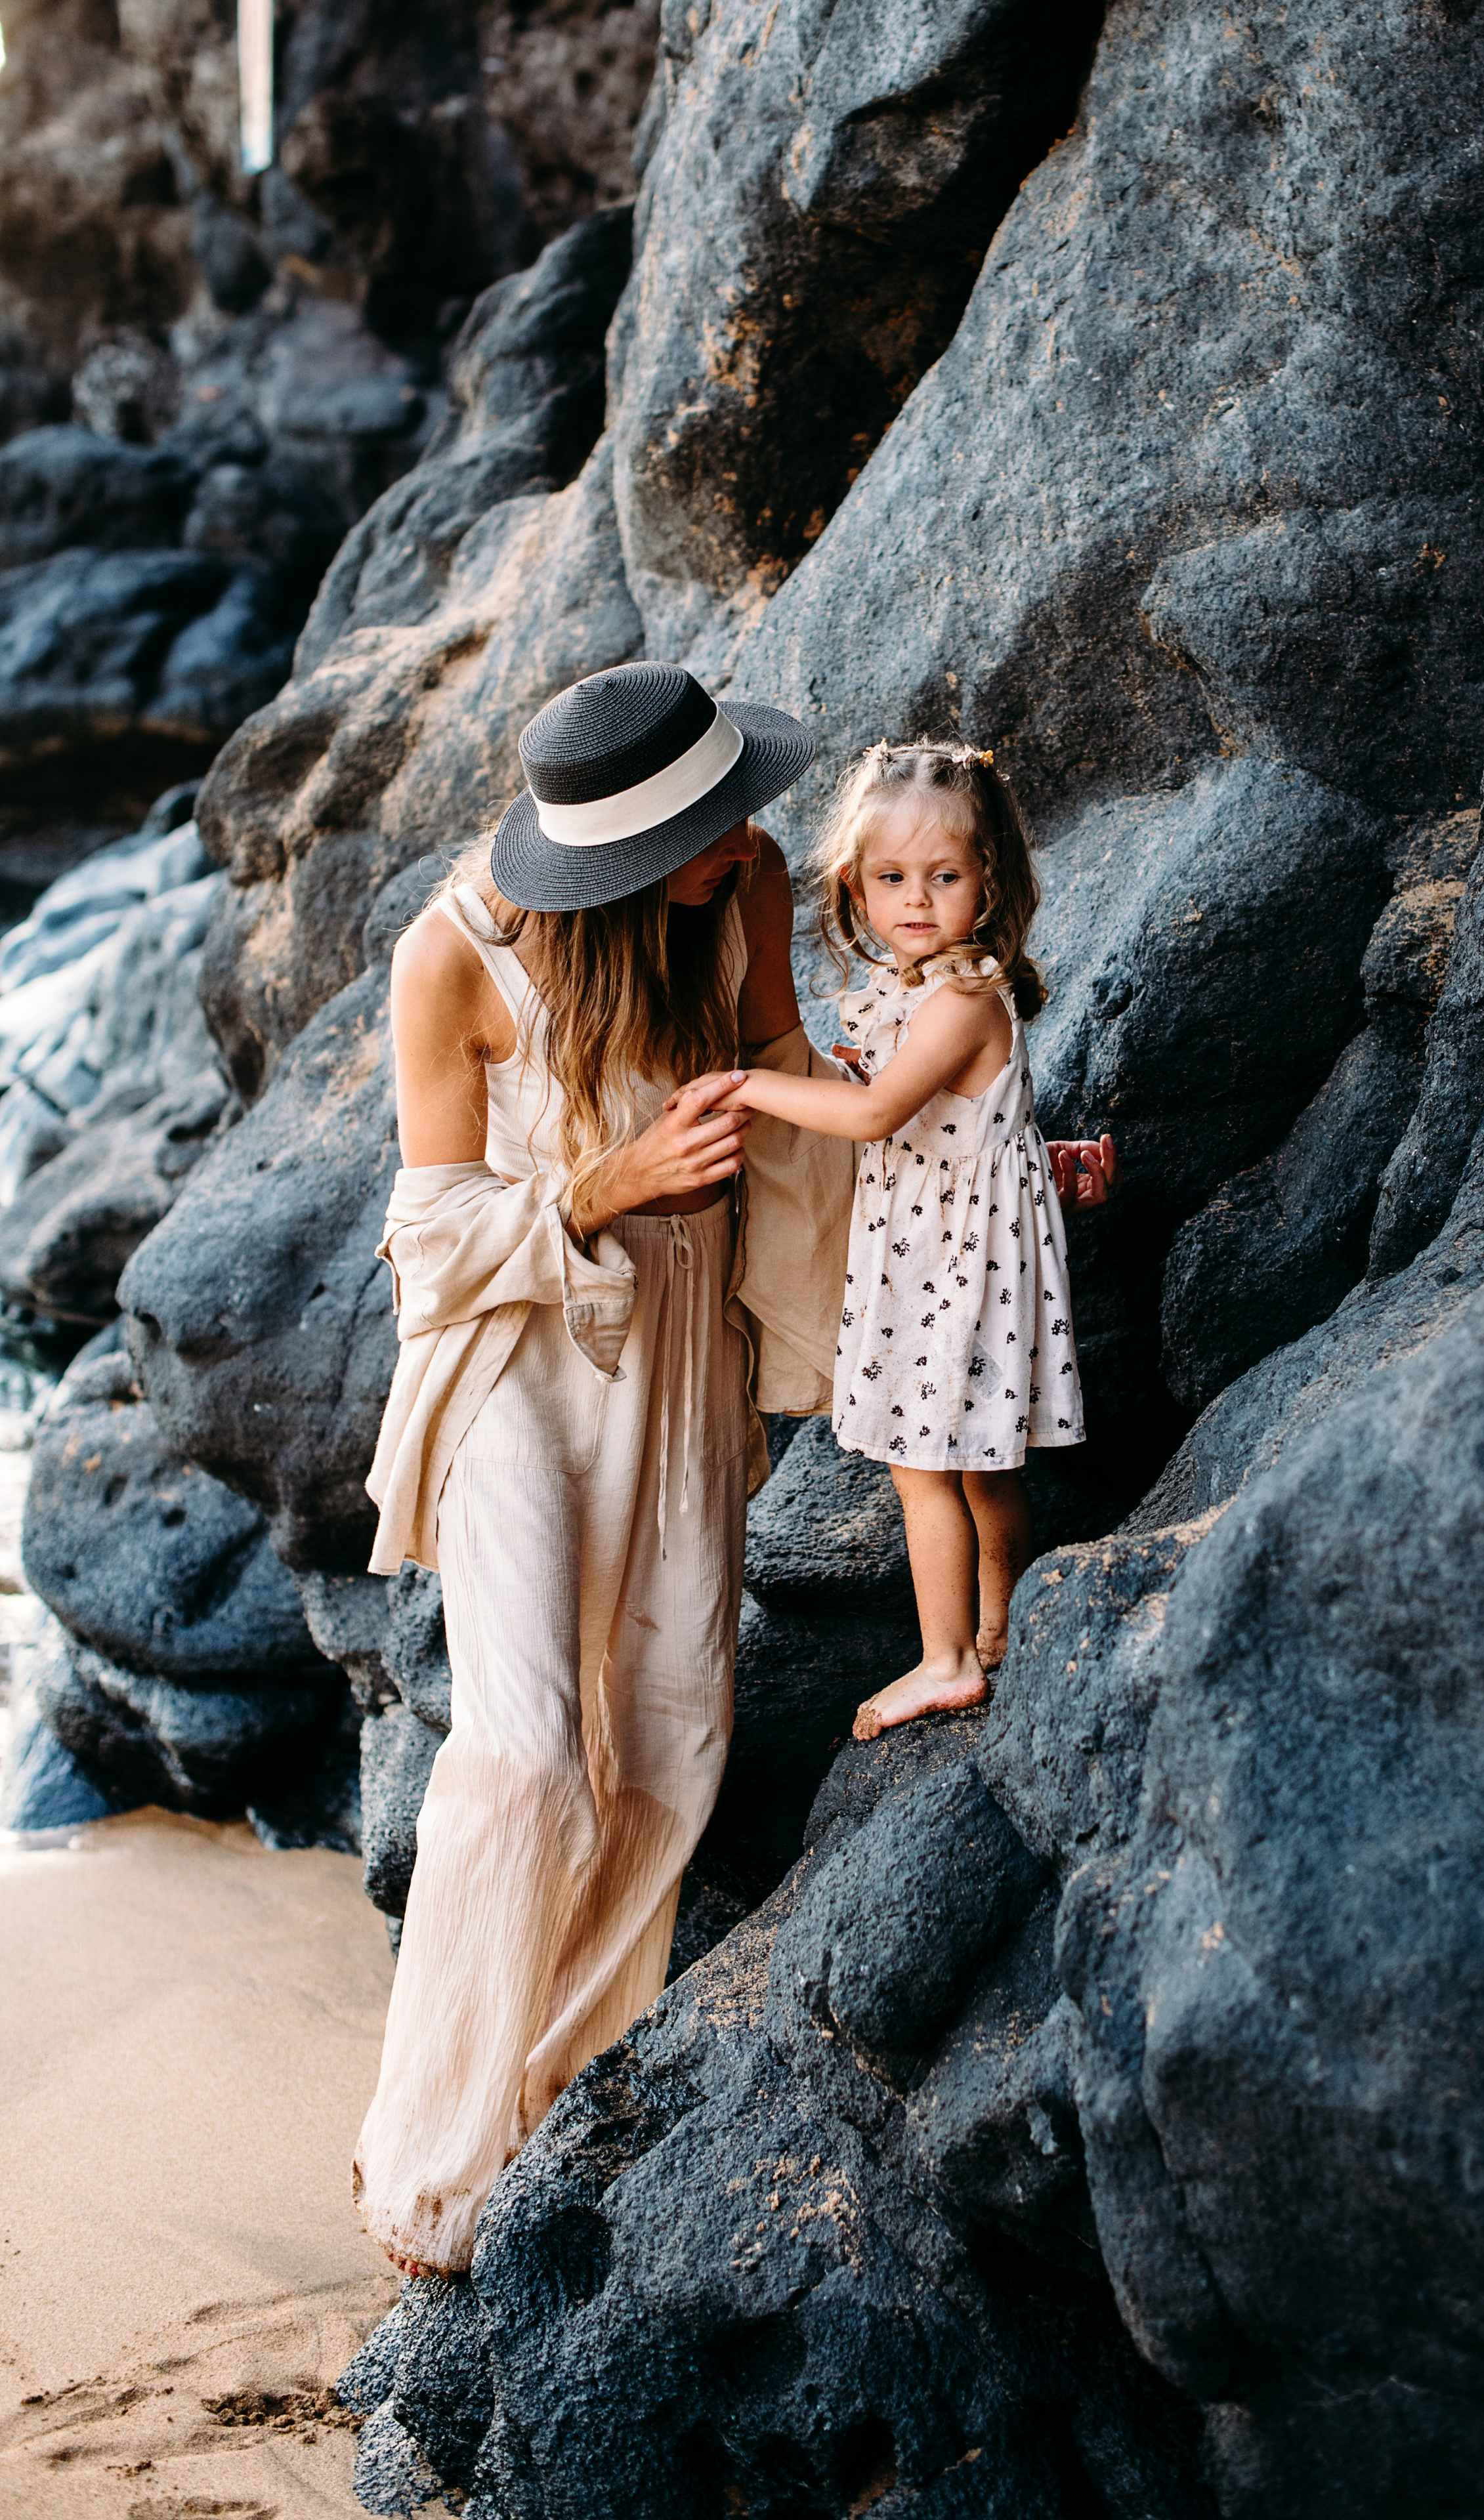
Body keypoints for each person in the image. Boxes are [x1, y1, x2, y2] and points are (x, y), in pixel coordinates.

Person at [350, 660, 855, 2281]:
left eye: (734, 811)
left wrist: (980, 1163)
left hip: (679, 1344)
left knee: (668, 1728)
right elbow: (430, 1243)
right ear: (617, 859)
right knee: (523, 1746)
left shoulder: (741, 889)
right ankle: (430, 2169)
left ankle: (552, 2092)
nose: (743, 841)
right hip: (516, 1357)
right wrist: (603, 1182)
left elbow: (798, 1098)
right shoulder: (454, 957)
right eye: (705, 831)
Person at [727, 740, 1115, 1742]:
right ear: (855, 886)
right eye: (892, 878)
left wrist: (746, 1085)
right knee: (984, 1461)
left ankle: (946, 1663)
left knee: (925, 1465)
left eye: (944, 877)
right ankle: (1000, 1626)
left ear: (990, 883)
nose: (916, 899)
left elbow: (874, 1117)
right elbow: (950, 1119)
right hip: (951, 1248)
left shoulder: (961, 1001)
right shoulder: (931, 989)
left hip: (950, 1264)